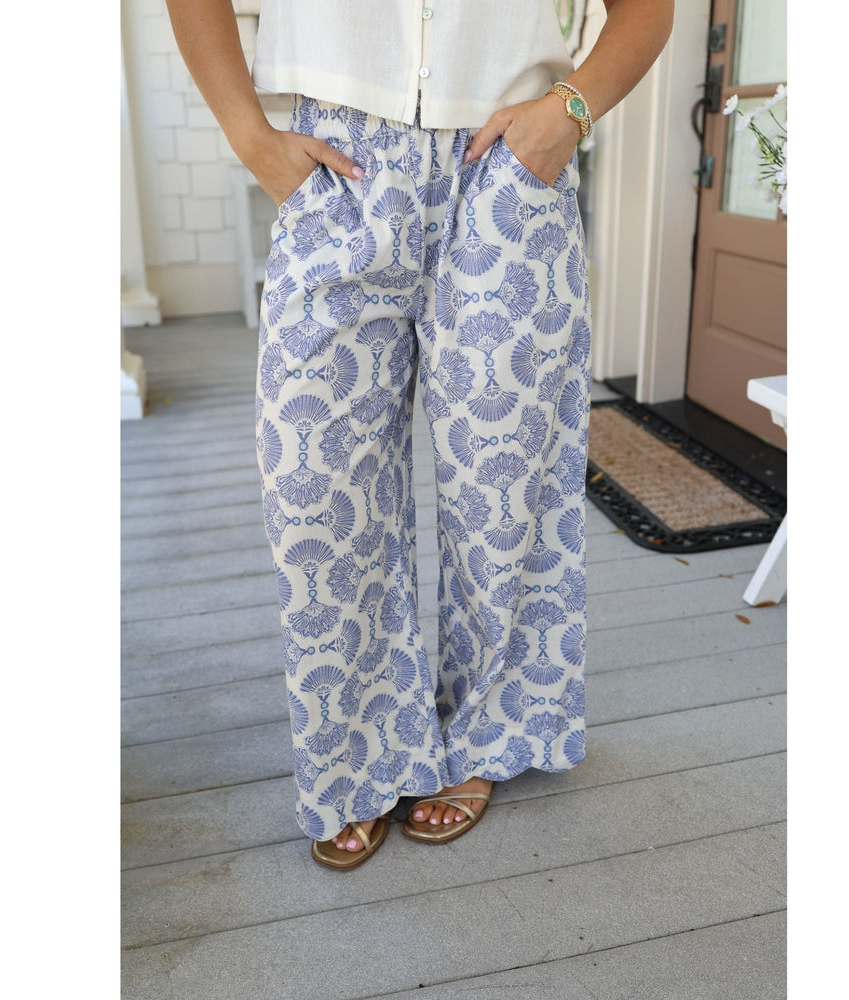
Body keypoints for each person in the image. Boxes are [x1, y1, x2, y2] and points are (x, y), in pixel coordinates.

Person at [165, 0, 674, 869]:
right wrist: (250, 134)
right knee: (315, 488)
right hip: (341, 170)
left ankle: (486, 734)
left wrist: (571, 110)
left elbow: (649, 8)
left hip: (506, 166)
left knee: (504, 482)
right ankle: (356, 754)